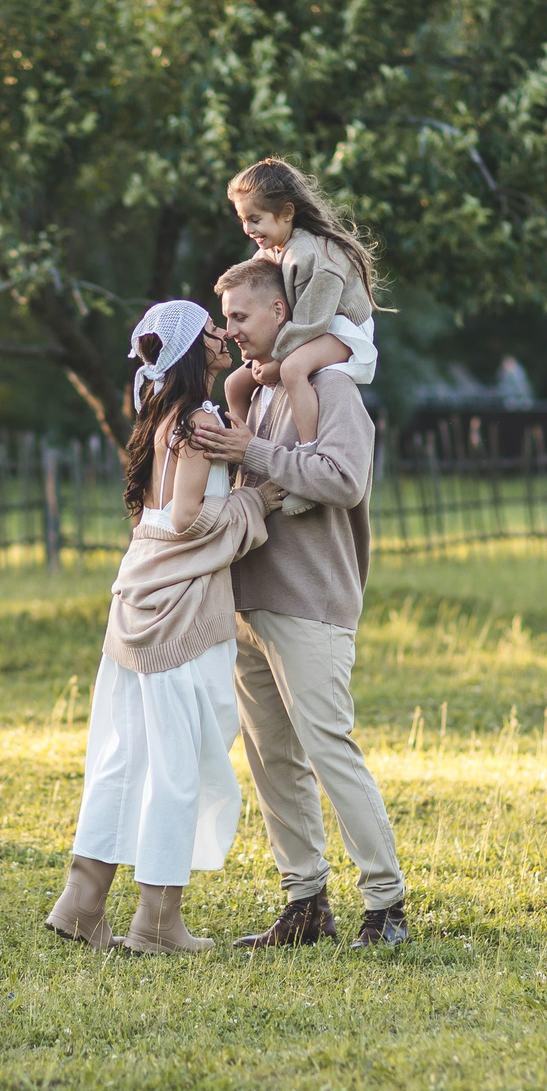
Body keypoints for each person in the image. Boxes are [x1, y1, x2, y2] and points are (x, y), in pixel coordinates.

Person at [45, 299, 277, 955]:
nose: (224, 337)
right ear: (187, 350)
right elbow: (186, 521)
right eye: (212, 331)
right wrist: (254, 503)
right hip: (178, 608)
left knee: (123, 754)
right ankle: (155, 923)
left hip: (135, 592)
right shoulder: (199, 418)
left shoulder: (159, 415)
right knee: (181, 761)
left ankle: (83, 902)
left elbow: (156, 520)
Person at [192, 257, 409, 948]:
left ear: (280, 313)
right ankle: (305, 903)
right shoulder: (254, 394)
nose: (231, 333)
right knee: (271, 759)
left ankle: (387, 906)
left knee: (328, 749)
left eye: (239, 318)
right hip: (248, 602)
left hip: (311, 602)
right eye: (224, 321)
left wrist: (251, 450)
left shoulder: (331, 385)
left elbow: (342, 479)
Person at [224, 158, 379, 513]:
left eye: (255, 219)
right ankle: (240, 464)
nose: (248, 228)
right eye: (243, 220)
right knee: (235, 383)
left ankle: (307, 454)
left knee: (294, 370)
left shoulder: (313, 255)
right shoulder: (270, 249)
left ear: (287, 212)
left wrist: (276, 363)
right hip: (306, 329)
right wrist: (254, 358)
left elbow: (311, 322)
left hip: (340, 327)